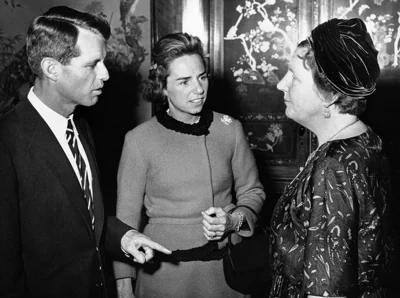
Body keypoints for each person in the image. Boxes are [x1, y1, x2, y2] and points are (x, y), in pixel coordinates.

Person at [0, 6, 170, 298]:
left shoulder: (81, 126)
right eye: (92, 65)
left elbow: (82, 218)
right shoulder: (7, 140)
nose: (105, 75)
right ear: (52, 68)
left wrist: (124, 236)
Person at [113, 32, 266, 298]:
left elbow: (253, 192)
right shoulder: (139, 140)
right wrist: (124, 282)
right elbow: (125, 221)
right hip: (164, 276)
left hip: (227, 275)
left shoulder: (229, 129)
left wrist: (233, 221)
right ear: (162, 86)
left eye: (202, 76)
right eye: (184, 81)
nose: (198, 89)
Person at [269, 18, 391, 297]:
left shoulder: (333, 168)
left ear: (330, 95)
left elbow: (326, 289)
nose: (281, 85)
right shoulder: (364, 139)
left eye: (294, 77)